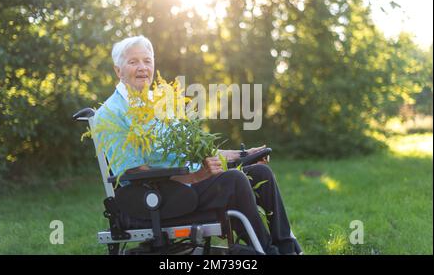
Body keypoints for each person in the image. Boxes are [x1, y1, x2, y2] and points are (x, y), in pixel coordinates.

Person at [94, 35, 302, 255]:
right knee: (235, 180)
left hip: (187, 185)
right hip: (155, 198)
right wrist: (195, 177)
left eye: (147, 60)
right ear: (118, 70)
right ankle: (268, 252)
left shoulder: (161, 103)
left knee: (260, 172)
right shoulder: (110, 114)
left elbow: (198, 152)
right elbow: (133, 172)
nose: (143, 68)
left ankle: (288, 249)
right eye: (133, 62)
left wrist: (243, 154)